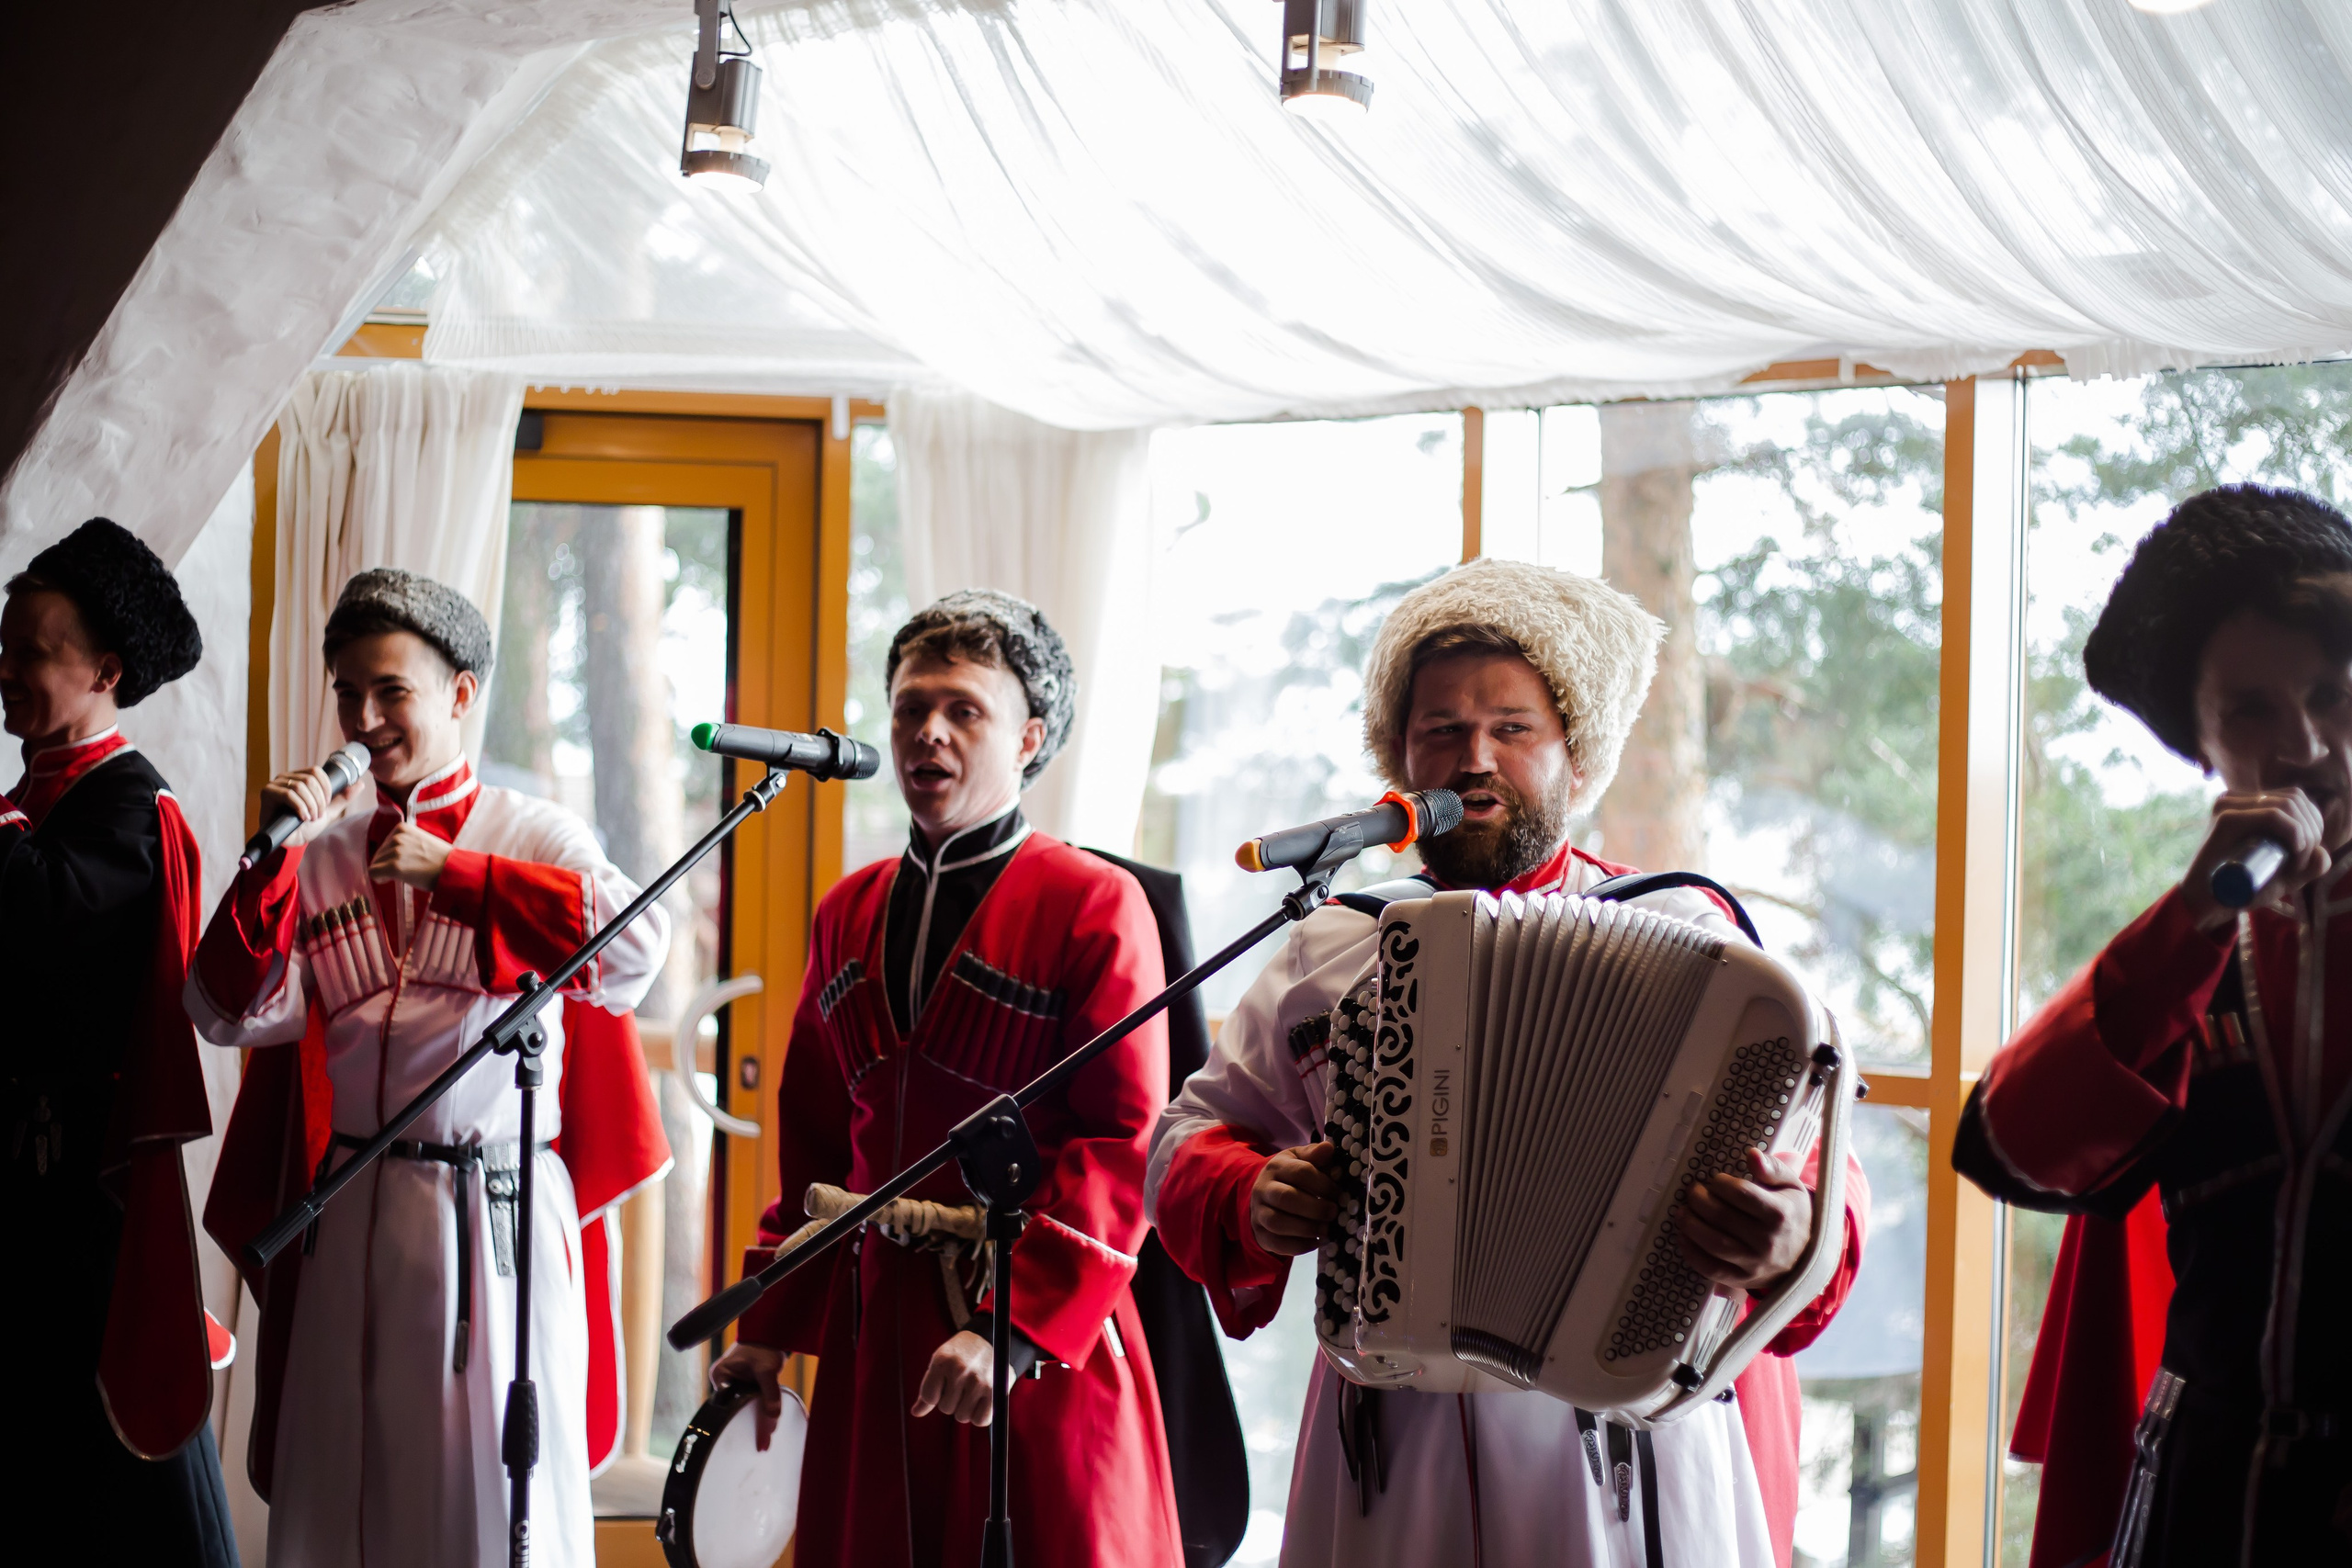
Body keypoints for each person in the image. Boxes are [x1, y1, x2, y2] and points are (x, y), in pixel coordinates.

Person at [1146, 558, 1868, 1568]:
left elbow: (1823, 1171)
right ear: (1398, 758)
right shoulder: (1331, 947)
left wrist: (1791, 1233)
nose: (1472, 758)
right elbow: (1184, 1140)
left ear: (1577, 753)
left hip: (1623, 1442)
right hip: (1391, 1437)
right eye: (1439, 731)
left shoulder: (1692, 939)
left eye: (1511, 729)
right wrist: (1253, 1194)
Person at [191, 568, 672, 1568]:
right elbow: (226, 1015)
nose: (364, 719)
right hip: (352, 1202)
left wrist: (457, 873)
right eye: (347, 694)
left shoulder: (532, 834)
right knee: (345, 1472)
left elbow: (634, 956)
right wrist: (269, 866)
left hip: (488, 1211)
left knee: (486, 1493)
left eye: (391, 691)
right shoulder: (320, 855)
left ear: (459, 693)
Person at [709, 590, 1186, 1568]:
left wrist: (1010, 1334)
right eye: (908, 709)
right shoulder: (846, 909)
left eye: (963, 709)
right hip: (873, 1327)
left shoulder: (1095, 903)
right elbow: (812, 1149)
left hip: (1029, 1333)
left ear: (1030, 737)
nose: (926, 731)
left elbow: (1122, 1140)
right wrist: (768, 1324)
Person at [1954, 484, 2352, 1566]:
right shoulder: (2190, 939)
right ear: (2199, 748)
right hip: (2202, 1501)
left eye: (2332, 693)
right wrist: (2189, 922)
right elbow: (2007, 1149)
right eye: (2253, 712)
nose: (2306, 744)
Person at [0, 517, 238, 1567]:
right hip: (20, 1170)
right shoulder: (33, 802)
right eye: (1, 652)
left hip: (80, 1183)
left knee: (104, 1451)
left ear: (105, 670)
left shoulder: (130, 806)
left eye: (30, 656)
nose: (5, 676)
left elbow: (42, 925)